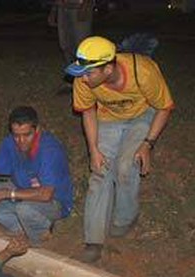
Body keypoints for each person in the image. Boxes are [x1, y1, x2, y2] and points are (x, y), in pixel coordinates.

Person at [65, 36, 174, 263]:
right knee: (100, 171)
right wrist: (94, 149)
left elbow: (164, 107)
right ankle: (93, 241)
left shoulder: (143, 72)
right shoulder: (83, 80)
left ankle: (125, 219)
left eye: (88, 73)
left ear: (108, 68)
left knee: (126, 166)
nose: (82, 78)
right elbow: (88, 112)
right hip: (108, 119)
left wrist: (147, 144)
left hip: (143, 116)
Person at [0, 106, 73, 247]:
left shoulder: (50, 150)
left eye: (26, 135)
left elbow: (46, 194)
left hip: (54, 202)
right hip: (19, 191)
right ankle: (20, 228)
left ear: (37, 130)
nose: (21, 140)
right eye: (16, 135)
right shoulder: (9, 143)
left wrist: (5, 194)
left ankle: (38, 237)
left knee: (24, 208)